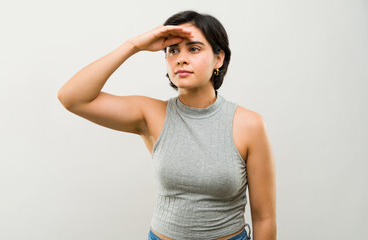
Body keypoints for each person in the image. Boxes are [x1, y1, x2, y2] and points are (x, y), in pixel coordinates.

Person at [57, 10, 276, 240]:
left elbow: (264, 218)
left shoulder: (250, 125)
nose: (181, 58)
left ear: (218, 58)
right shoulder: (151, 115)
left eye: (193, 48)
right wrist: (134, 45)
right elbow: (71, 98)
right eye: (172, 51)